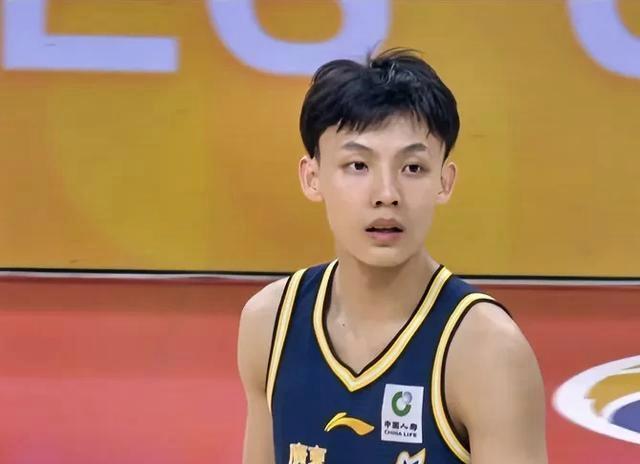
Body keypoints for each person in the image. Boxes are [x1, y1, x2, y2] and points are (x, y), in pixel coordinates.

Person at [237, 48, 547, 464]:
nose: (387, 194)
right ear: (312, 178)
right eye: (357, 165)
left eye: (412, 168)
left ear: (445, 182)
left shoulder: (488, 352)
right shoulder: (270, 324)